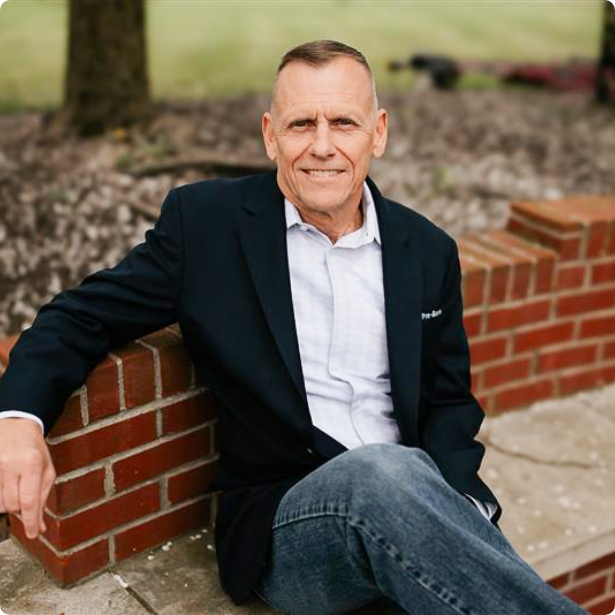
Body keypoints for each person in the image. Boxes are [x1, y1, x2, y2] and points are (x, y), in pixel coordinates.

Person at [0, 40, 583, 614]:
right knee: (382, 474)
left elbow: (450, 402)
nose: (322, 146)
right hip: (289, 526)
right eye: (302, 123)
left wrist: (465, 508)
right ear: (270, 135)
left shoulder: (428, 250)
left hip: (410, 504)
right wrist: (19, 420)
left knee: (406, 488)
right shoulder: (207, 226)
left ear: (378, 132)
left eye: (344, 123)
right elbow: (81, 315)